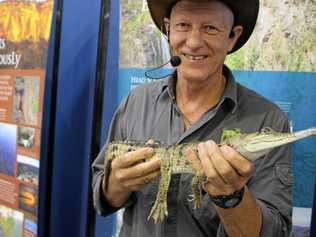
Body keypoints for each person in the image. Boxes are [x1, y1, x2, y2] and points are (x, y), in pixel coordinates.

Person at [92, 0, 293, 236]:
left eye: (210, 28)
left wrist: (233, 197)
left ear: (232, 37)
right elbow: (103, 195)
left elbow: (275, 232)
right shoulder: (136, 101)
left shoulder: (268, 120)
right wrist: (116, 183)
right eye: (183, 25)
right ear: (168, 30)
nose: (194, 42)